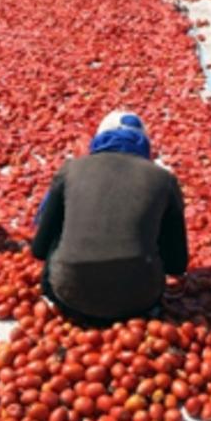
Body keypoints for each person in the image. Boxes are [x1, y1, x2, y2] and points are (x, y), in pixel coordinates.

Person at [32, 111, 188, 325]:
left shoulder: (71, 170)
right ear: (144, 143)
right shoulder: (164, 179)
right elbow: (177, 265)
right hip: (141, 301)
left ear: (99, 139)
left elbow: (39, 250)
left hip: (69, 297)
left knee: (63, 225)